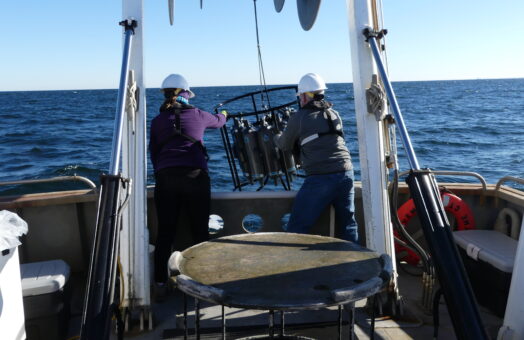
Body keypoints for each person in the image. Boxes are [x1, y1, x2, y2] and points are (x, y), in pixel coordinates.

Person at [149, 74, 227, 287]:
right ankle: (202, 281)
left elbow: (154, 154)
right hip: (195, 178)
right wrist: (224, 113)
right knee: (200, 231)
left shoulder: (157, 121)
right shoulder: (199, 115)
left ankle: (160, 282)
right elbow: (219, 122)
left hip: (166, 179)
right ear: (187, 94)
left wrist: (164, 175)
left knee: (165, 233)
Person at [274, 73, 358, 243]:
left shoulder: (299, 117)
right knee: (348, 223)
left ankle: (293, 266)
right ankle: (355, 262)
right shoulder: (333, 113)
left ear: (304, 96)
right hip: (346, 173)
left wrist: (276, 135)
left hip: (321, 177)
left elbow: (284, 144)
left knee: (297, 227)